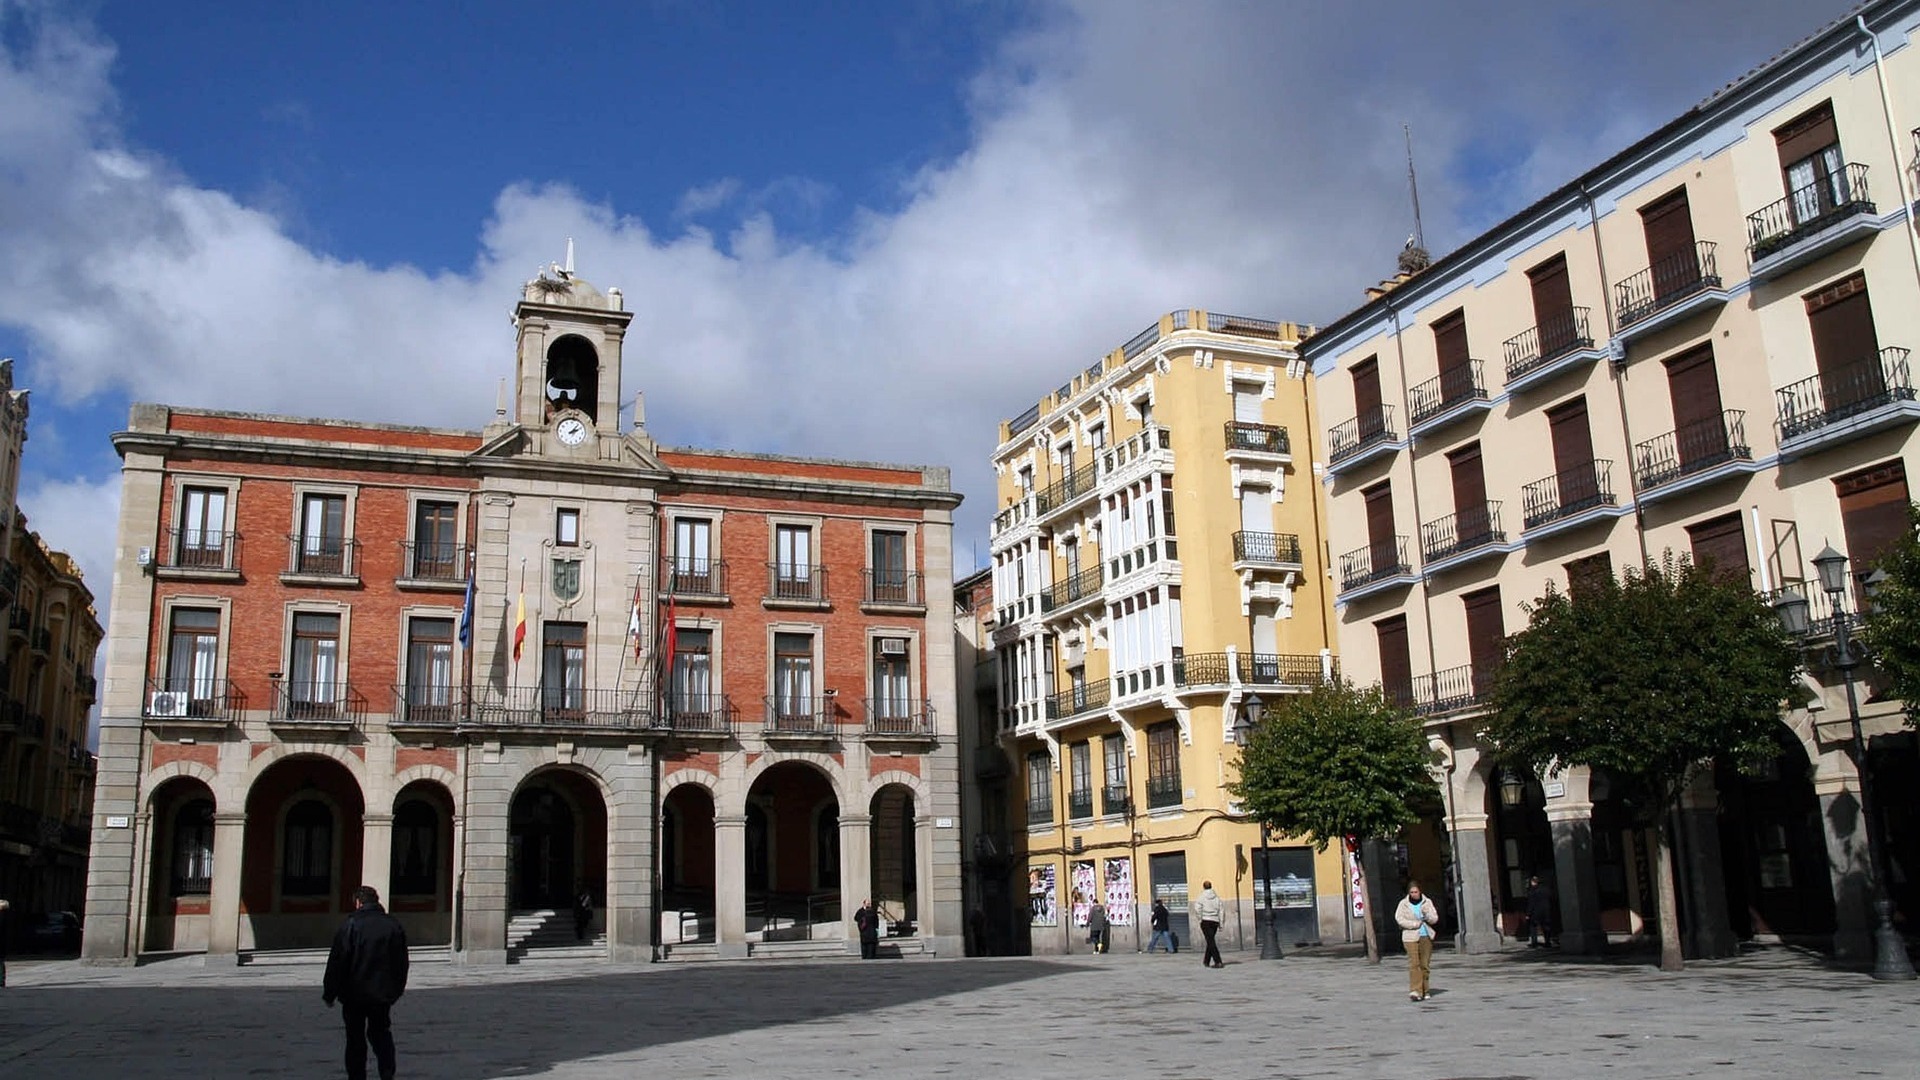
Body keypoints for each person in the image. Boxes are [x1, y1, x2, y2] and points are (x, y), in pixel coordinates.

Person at [323, 885, 410, 1080]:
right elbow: (402, 962)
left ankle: (357, 1076)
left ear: (358, 902)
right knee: (381, 1033)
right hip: (382, 994)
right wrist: (397, 990)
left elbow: (338, 962)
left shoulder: (351, 925)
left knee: (355, 1038)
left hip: (354, 994)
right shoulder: (393, 925)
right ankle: (387, 1074)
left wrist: (330, 993)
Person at [1395, 881, 1440, 1002]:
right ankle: (1416, 990)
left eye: (1416, 892)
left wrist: (1427, 915)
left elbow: (1434, 918)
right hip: (1410, 936)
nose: (1414, 894)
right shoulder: (1403, 904)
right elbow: (1399, 919)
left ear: (1420, 891)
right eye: (1411, 892)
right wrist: (1414, 924)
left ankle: (1425, 989)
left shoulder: (1427, 902)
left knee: (1424, 964)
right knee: (1414, 963)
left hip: (1426, 935)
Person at [1194, 882, 1225, 968]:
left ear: (1203, 887)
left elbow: (1197, 909)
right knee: (1210, 940)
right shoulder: (1217, 898)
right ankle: (1206, 961)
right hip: (1215, 921)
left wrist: (1200, 918)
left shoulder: (1201, 897)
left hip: (1206, 920)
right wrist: (1221, 923)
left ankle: (1218, 961)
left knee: (1210, 941)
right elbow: (1221, 911)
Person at [1525, 875, 1557, 948]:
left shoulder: (1532, 891)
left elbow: (1531, 903)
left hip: (1535, 912)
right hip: (1546, 911)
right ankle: (1548, 942)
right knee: (1546, 927)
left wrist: (1528, 914)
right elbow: (1551, 898)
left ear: (1533, 882)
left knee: (1533, 927)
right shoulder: (1546, 890)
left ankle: (1534, 943)